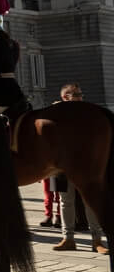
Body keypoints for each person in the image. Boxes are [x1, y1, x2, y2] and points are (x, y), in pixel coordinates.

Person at [52, 83, 108, 253]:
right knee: (64, 202)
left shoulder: (88, 113)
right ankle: (68, 238)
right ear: (65, 97)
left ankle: (97, 240)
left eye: (81, 94)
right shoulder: (54, 114)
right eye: (76, 94)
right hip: (61, 166)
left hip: (85, 165)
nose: (80, 96)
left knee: (89, 200)